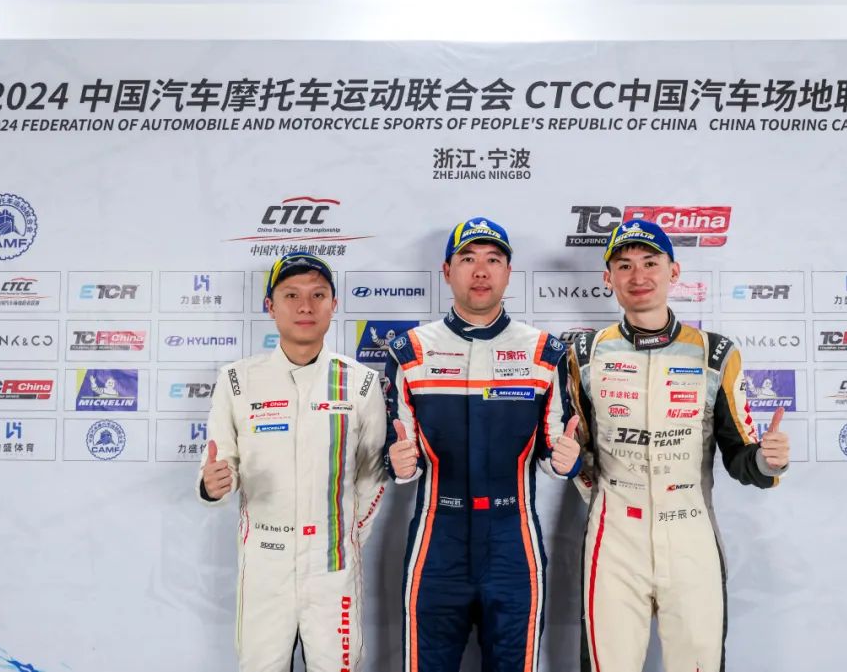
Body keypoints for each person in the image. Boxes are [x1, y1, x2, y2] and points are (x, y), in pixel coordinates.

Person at [569, 219, 791, 672]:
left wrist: (766, 462)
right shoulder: (585, 354)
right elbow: (576, 450)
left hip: (690, 534)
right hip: (614, 538)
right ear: (608, 278)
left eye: (650, 263)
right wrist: (576, 470)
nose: (638, 275)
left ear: (674, 272)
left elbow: (740, 455)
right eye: (624, 265)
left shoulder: (715, 353)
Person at [383, 217, 582, 672]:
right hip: (438, 537)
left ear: (508, 273)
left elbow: (555, 451)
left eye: (493, 260)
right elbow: (397, 456)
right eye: (468, 259)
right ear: (446, 270)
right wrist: (398, 464)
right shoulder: (410, 351)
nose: (480, 271)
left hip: (513, 538)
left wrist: (566, 460)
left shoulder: (544, 352)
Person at [197, 251, 388, 672]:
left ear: (334, 304)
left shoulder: (361, 382)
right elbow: (219, 463)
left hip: (332, 564)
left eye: (318, 295)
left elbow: (373, 476)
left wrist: (345, 536)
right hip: (265, 562)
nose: (306, 306)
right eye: (291, 295)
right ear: (270, 306)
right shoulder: (237, 381)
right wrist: (212, 485)